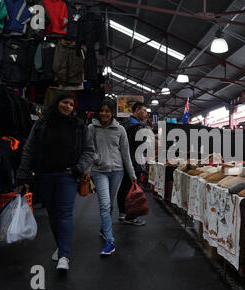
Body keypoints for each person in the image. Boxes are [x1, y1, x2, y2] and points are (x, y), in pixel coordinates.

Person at [16, 93, 95, 271]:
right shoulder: (41, 124)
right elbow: (29, 149)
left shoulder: (79, 126)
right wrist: (23, 175)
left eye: (71, 104)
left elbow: (89, 151)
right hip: (45, 175)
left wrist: (78, 168)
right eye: (65, 102)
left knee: (65, 213)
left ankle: (64, 257)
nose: (68, 106)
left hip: (67, 176)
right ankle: (61, 247)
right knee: (52, 214)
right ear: (56, 103)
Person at [88, 100, 137, 255]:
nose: (104, 114)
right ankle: (110, 240)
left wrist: (132, 174)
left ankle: (104, 230)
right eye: (101, 111)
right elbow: (88, 149)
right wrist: (96, 160)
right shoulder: (91, 128)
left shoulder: (120, 129)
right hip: (99, 171)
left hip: (117, 171)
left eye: (107, 111)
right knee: (105, 204)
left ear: (112, 113)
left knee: (109, 205)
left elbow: (125, 153)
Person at [117, 102, 148, 226]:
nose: (146, 113)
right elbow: (141, 146)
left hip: (123, 161)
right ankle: (130, 216)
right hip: (134, 162)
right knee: (133, 189)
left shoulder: (124, 124)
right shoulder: (138, 127)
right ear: (136, 111)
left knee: (124, 188)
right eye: (144, 110)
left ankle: (122, 213)